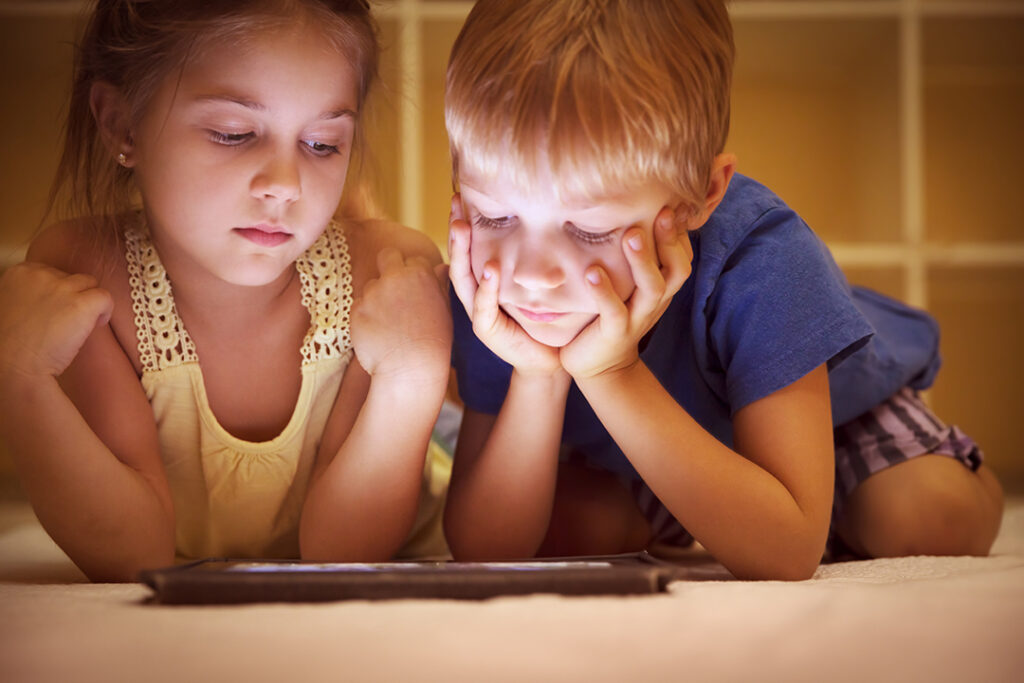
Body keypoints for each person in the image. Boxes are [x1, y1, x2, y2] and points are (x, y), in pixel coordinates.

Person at [443, 0, 1003, 580]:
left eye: (591, 229)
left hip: (830, 420)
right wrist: (537, 376)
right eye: (494, 217)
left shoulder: (764, 259)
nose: (532, 273)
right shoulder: (489, 285)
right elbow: (484, 550)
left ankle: (843, 499)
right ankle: (728, 513)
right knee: (570, 536)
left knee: (928, 518)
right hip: (644, 452)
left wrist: (612, 373)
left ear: (698, 198)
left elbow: (787, 557)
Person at [0, 0, 453, 582]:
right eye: (234, 133)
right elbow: (134, 555)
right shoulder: (84, 280)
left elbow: (340, 554)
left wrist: (412, 379)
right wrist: (20, 380)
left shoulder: (386, 275)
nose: (284, 185)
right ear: (120, 124)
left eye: (321, 144)